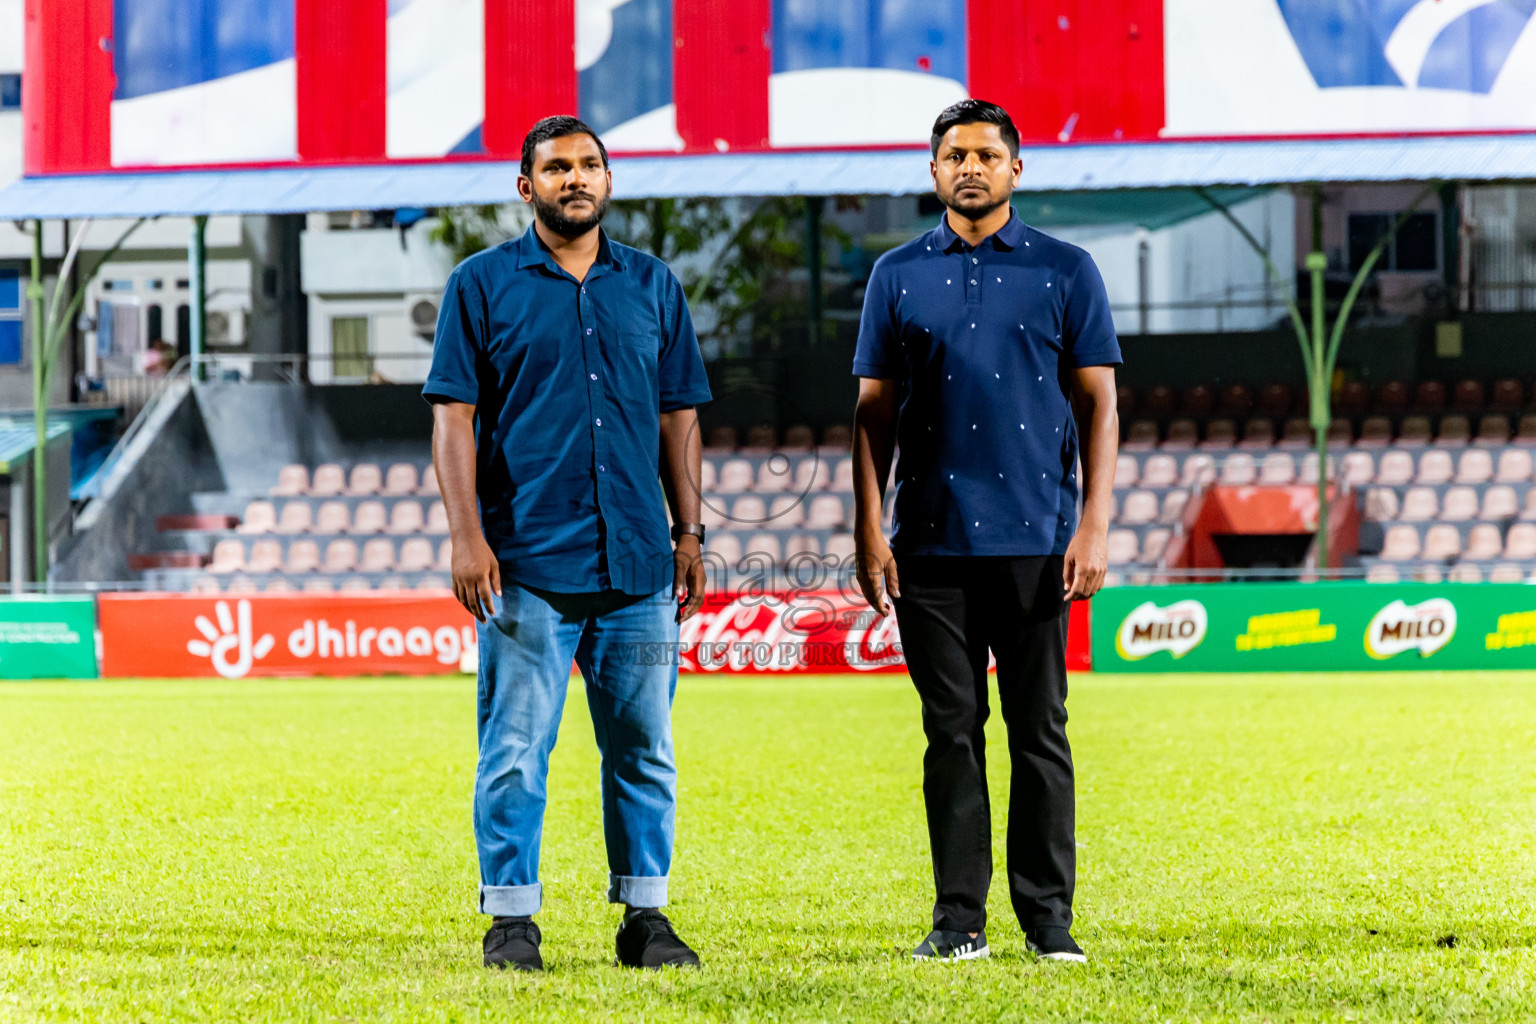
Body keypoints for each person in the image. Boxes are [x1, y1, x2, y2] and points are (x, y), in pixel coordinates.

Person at [424, 115, 712, 972]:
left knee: (645, 748)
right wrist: (467, 537)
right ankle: (512, 921)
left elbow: (680, 417)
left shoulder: (654, 286)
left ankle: (646, 920)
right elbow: (453, 419)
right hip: (526, 568)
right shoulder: (479, 286)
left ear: (609, 181)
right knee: (513, 750)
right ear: (526, 187)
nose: (574, 179)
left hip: (637, 565)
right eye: (556, 168)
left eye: (589, 165)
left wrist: (689, 531)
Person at [850, 100, 1120, 964]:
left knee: (1040, 731)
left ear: (1016, 169)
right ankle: (957, 921)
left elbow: (1099, 403)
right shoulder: (895, 275)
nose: (971, 166)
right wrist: (868, 526)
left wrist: (1095, 524)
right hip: (926, 543)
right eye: (954, 154)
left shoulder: (1066, 269)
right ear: (932, 172)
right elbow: (870, 415)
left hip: (1040, 539)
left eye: (987, 154)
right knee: (950, 731)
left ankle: (1049, 922)